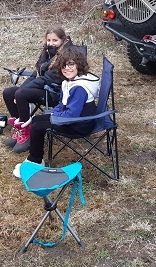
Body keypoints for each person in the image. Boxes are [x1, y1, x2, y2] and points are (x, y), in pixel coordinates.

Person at [13, 46, 99, 178]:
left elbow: (71, 115)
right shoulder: (69, 81)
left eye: (71, 65)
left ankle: (35, 162)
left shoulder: (79, 88)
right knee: (36, 120)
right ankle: (36, 159)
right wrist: (54, 114)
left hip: (80, 125)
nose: (67, 69)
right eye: (64, 66)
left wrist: (55, 117)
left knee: (37, 127)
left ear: (79, 65)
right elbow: (61, 104)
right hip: (71, 119)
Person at [2, 27, 73, 153]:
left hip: (55, 93)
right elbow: (37, 74)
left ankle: (26, 134)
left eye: (55, 40)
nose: (51, 43)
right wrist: (21, 89)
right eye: (49, 40)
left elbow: (47, 79)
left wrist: (22, 90)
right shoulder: (48, 52)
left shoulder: (66, 55)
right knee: (8, 92)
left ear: (63, 40)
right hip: (44, 87)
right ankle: (20, 128)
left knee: (21, 94)